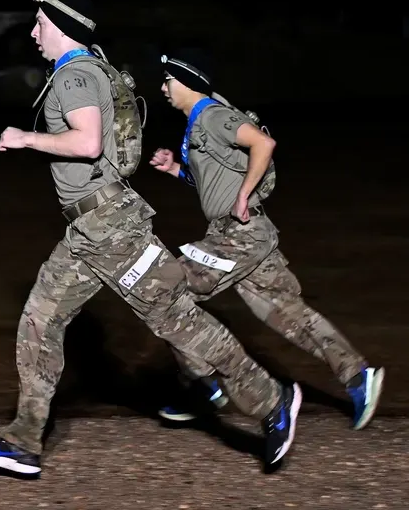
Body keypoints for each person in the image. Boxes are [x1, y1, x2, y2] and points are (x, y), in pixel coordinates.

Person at [0, 0, 301, 476]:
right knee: (39, 320)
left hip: (112, 230)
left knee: (176, 319)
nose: (33, 32)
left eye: (39, 23)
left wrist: (25, 138)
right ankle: (23, 441)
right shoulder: (90, 68)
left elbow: (88, 141)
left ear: (61, 25)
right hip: (89, 230)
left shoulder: (76, 75)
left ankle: (271, 401)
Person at [149, 48, 384, 429]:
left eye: (168, 80)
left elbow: (263, 143)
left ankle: (203, 385)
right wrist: (176, 169)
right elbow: (213, 184)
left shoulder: (212, 116)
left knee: (160, 288)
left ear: (187, 81)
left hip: (238, 235)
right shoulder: (197, 124)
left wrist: (243, 196)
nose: (163, 87)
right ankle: (358, 376)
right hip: (248, 236)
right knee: (288, 314)